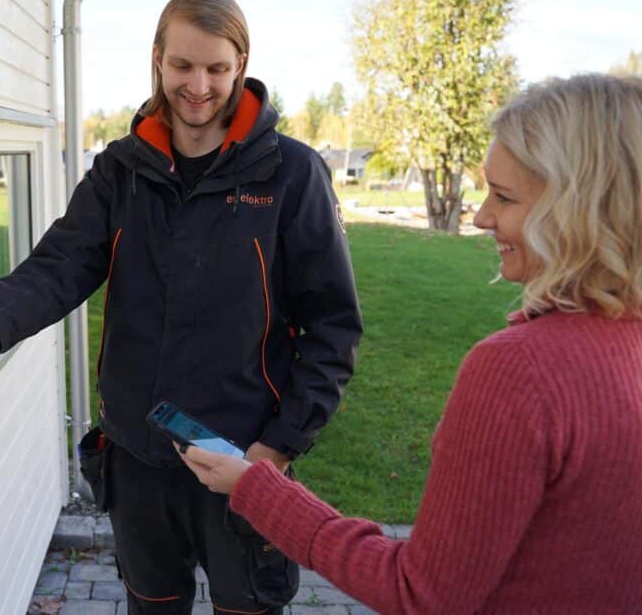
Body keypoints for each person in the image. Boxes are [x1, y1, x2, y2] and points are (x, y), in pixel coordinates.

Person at [0, 0, 362, 614]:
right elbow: (62, 264)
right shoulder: (120, 171)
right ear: (157, 58)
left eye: (217, 68)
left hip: (244, 457)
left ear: (242, 66)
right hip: (138, 459)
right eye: (182, 65)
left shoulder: (290, 174)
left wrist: (275, 449)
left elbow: (333, 330)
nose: (198, 85)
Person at [179, 73, 642, 613]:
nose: (482, 215)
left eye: (505, 196)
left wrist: (255, 488)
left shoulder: (521, 371)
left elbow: (421, 593)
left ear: (582, 208)